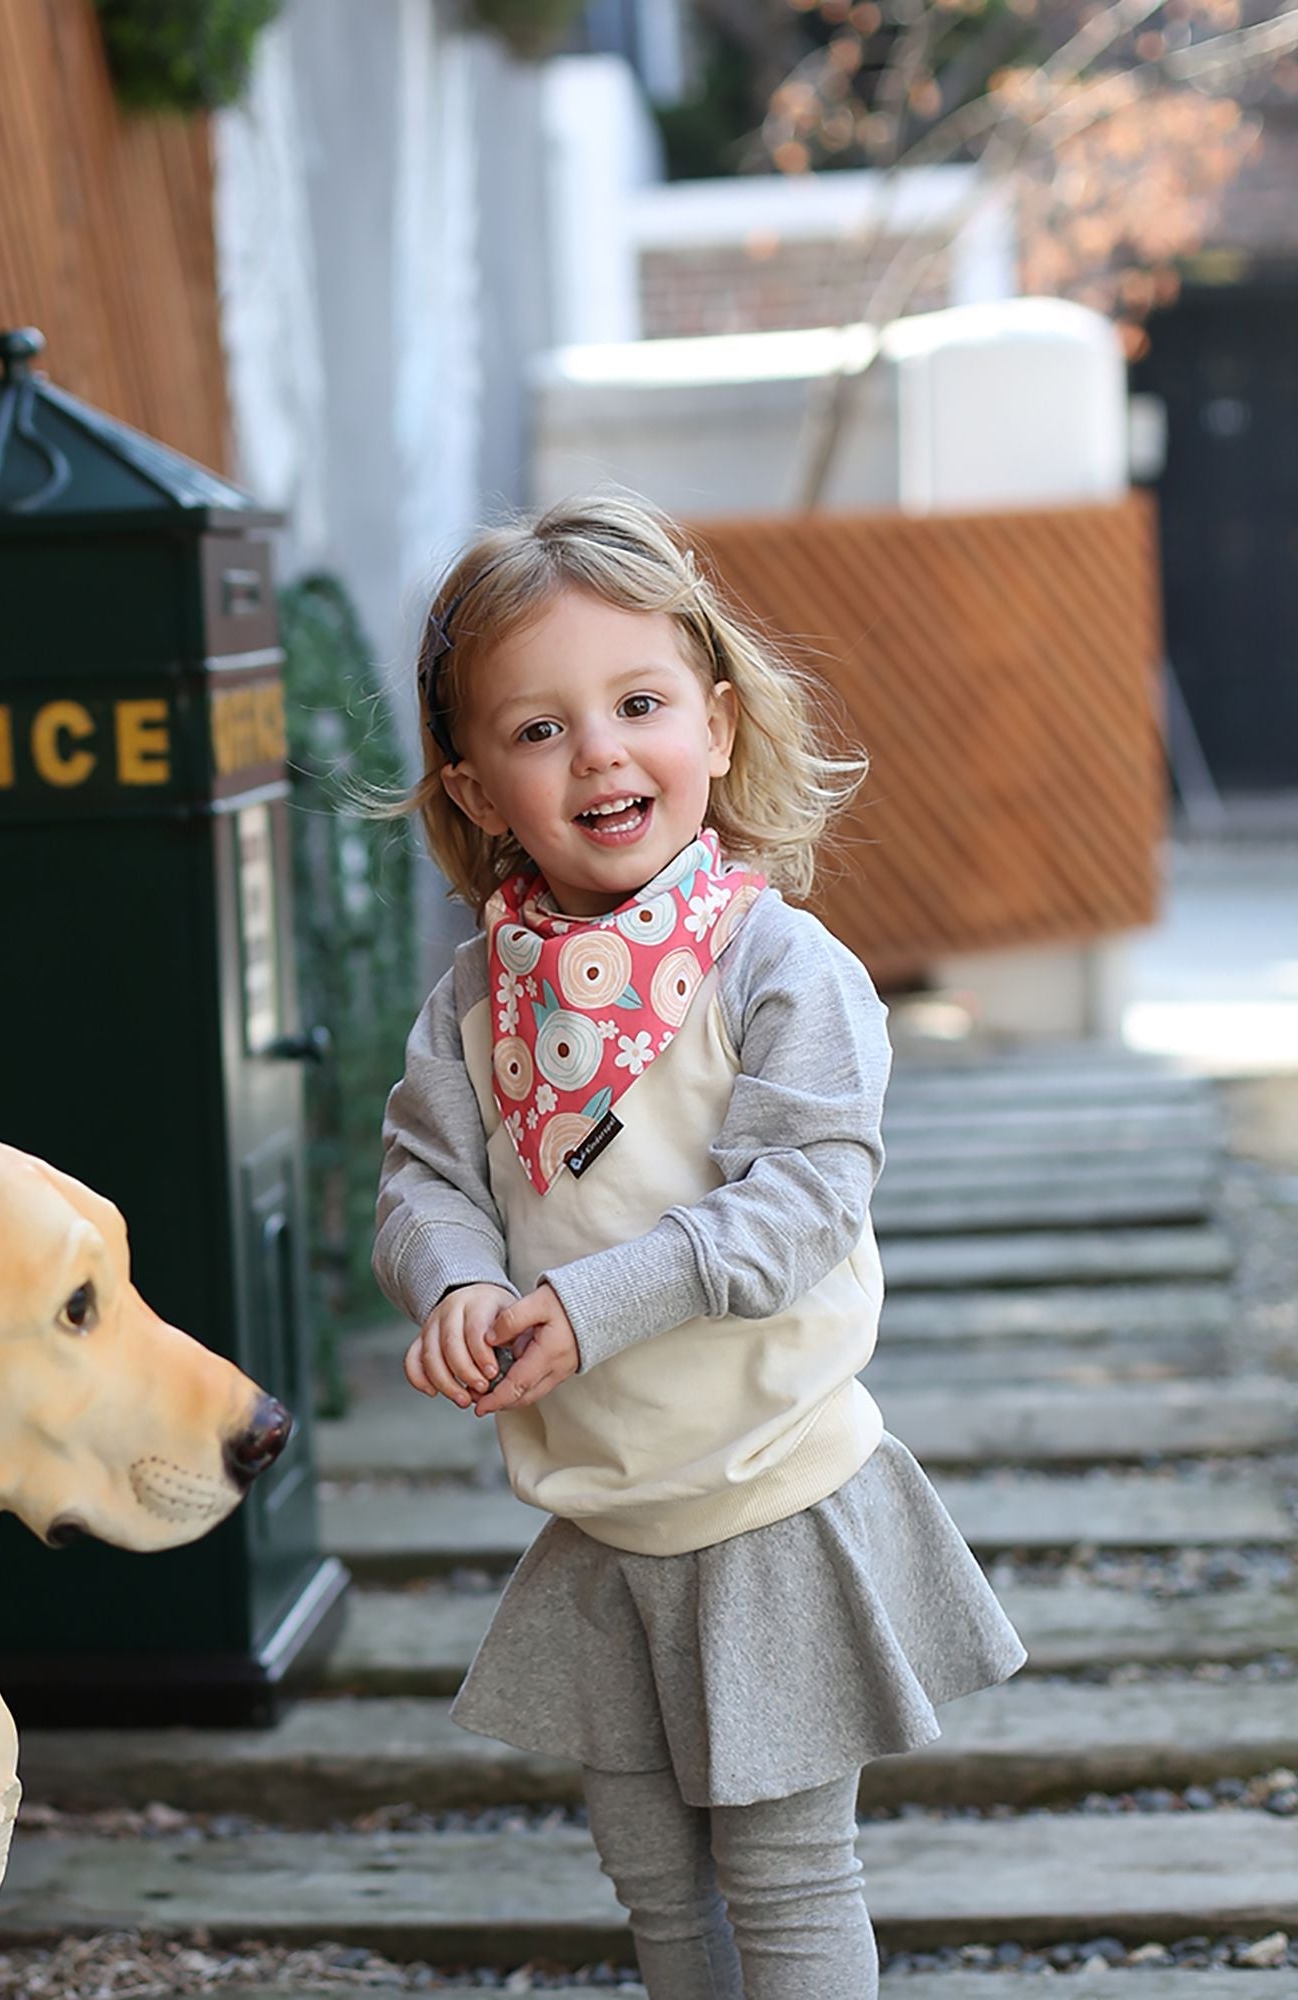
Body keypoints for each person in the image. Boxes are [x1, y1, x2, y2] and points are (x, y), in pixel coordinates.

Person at [371, 492, 1025, 2000]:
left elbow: (798, 1207)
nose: (598, 752)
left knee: (786, 1885)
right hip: (609, 1518)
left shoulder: (779, 965)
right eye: (538, 731)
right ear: (474, 792)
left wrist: (587, 1307)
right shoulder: (482, 1000)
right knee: (658, 1888)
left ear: (718, 730)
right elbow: (424, 1174)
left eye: (640, 704)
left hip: (769, 1501)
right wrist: (460, 1281)